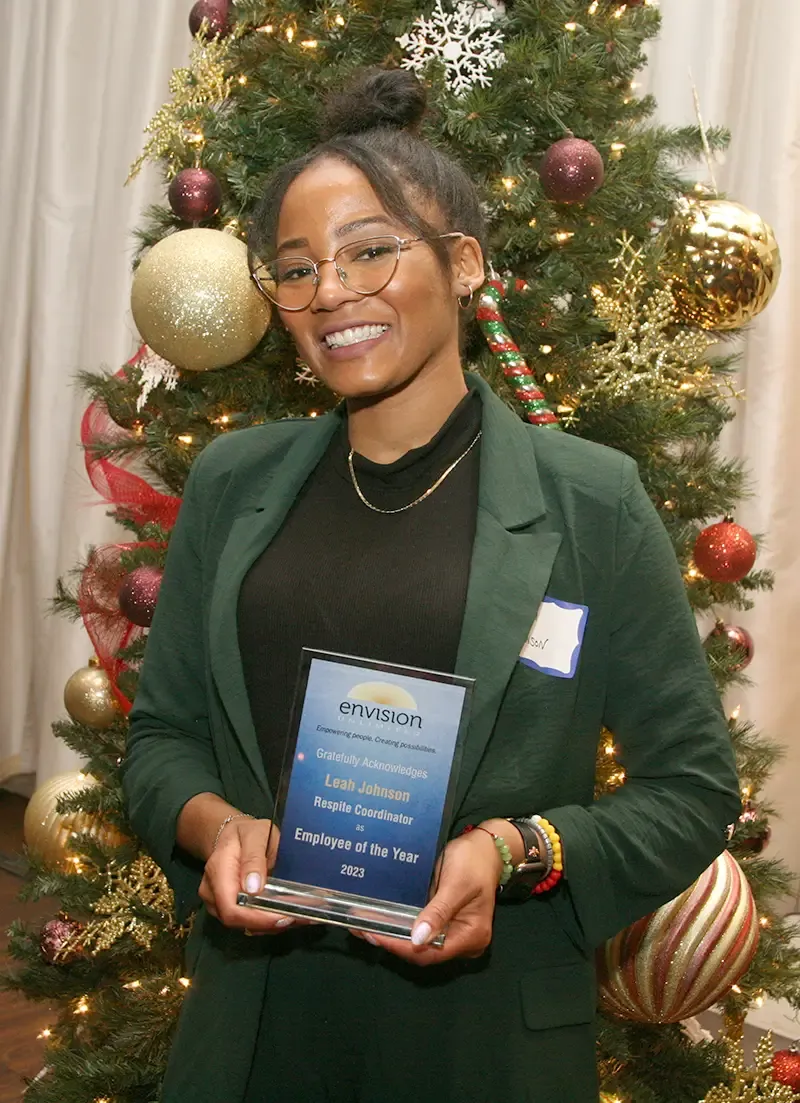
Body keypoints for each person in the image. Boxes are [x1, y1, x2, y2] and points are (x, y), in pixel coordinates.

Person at [121, 67, 742, 1103]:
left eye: (370, 250)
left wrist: (518, 847)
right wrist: (212, 823)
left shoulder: (591, 501)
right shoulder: (234, 483)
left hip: (482, 1038)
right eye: (295, 268)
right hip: (251, 1030)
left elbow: (691, 788)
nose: (330, 293)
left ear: (462, 265)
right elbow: (161, 740)